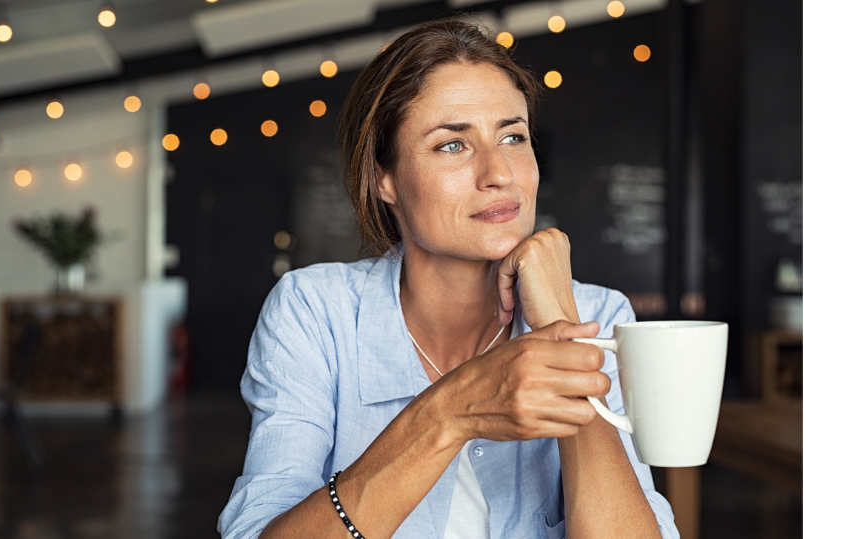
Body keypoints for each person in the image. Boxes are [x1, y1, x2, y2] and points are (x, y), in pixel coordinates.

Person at [219, 20, 677, 539]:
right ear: (382, 178)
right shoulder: (314, 312)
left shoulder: (600, 317)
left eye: (513, 136)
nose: (499, 172)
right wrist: (450, 413)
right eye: (452, 146)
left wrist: (558, 319)